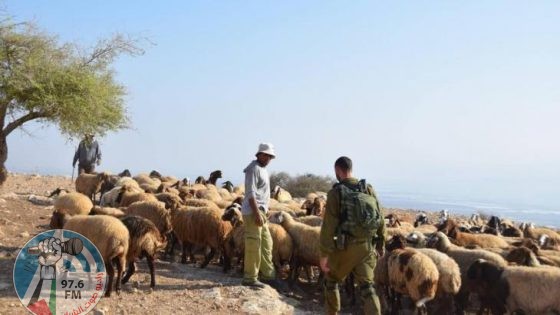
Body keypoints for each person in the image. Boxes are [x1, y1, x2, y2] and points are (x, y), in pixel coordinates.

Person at [319, 156, 385, 315]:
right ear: (351, 169)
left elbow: (328, 227)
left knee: (331, 281)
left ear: (337, 170)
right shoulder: (367, 188)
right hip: (367, 247)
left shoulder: (336, 193)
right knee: (368, 287)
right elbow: (381, 218)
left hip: (345, 248)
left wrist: (324, 255)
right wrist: (381, 245)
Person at [241, 143, 285, 291]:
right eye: (266, 155)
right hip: (253, 212)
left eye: (270, 156)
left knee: (267, 243)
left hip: (261, 212)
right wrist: (256, 213)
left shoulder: (263, 170)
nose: (268, 158)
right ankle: (250, 278)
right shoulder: (252, 169)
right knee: (254, 245)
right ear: (259, 154)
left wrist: (265, 211)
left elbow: (262, 193)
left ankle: (268, 275)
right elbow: (250, 193)